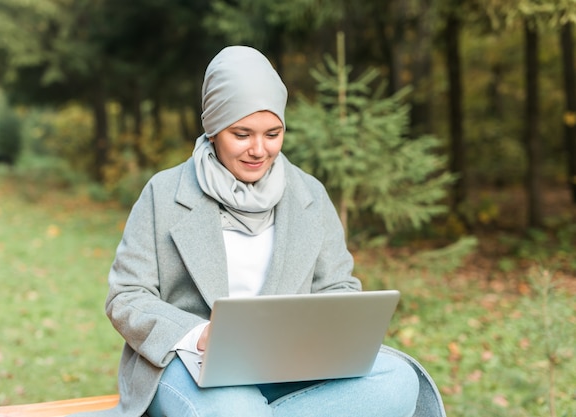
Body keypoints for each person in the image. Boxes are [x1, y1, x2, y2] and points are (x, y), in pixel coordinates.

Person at [73, 46, 419, 417]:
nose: (259, 150)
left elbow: (339, 288)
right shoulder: (164, 193)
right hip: (186, 363)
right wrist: (195, 336)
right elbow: (126, 296)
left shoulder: (310, 195)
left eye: (273, 134)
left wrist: (332, 333)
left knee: (399, 380)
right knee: (236, 408)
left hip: (291, 369)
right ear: (214, 128)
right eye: (242, 134)